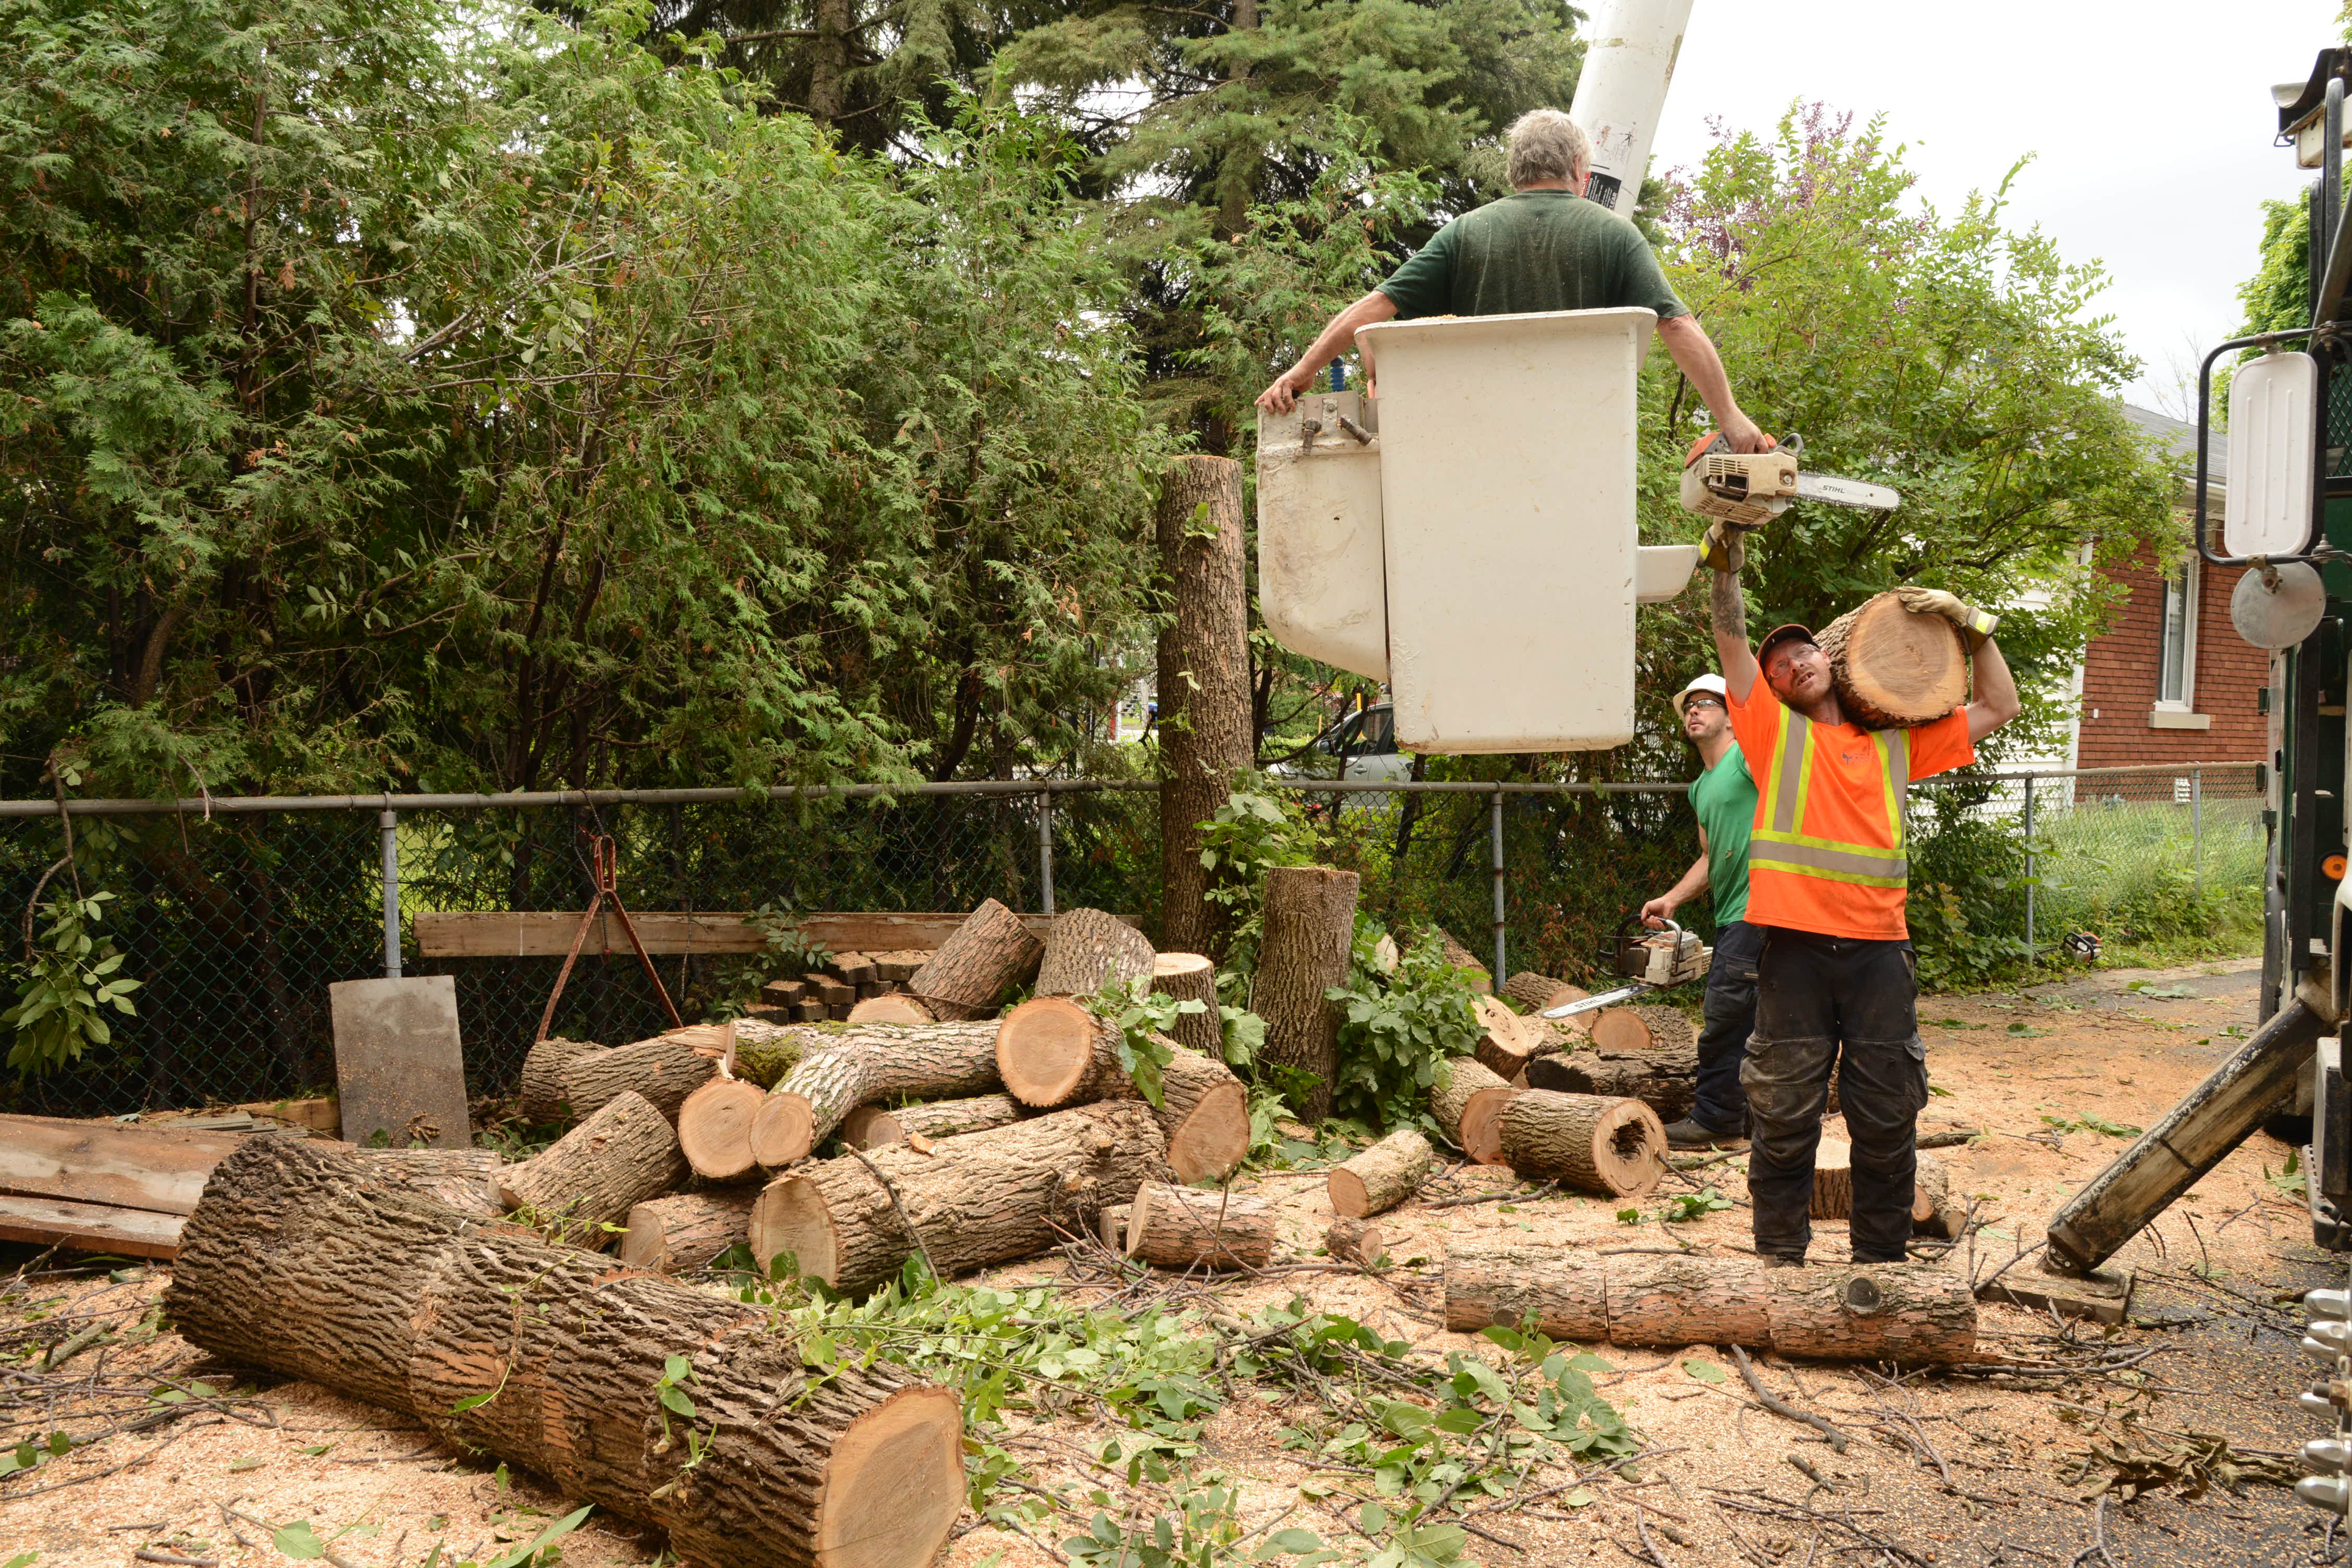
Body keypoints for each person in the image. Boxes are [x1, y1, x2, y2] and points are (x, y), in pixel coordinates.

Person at [1707, 533, 2022, 1268]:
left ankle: (1881, 1262)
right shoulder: (1770, 736)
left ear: (1833, 658)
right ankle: (1779, 1259)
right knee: (1784, 1114)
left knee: (1886, 1116)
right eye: (1779, 665)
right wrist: (1724, 571)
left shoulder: (1895, 747)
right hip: (1793, 952)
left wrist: (1973, 625)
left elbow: (1999, 704)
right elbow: (1731, 643)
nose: (1793, 663)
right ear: (1774, 689)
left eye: (1803, 651)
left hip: (1880, 953)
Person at [1253, 108, 1769, 454]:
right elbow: (1676, 326)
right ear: (1579, 169)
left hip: (1477, 443)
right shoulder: (1615, 234)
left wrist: (1300, 372)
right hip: (1584, 446)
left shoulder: (1465, 233)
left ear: (1516, 170)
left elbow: (1374, 308)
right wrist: (1731, 418)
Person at [1638, 673, 1759, 1150]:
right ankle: (1753, 1119)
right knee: (1752, 1018)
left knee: (1725, 1015)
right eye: (1690, 705)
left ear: (1731, 717)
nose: (1694, 710)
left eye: (1707, 703)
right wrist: (1672, 899)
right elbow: (1710, 857)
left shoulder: (1747, 760)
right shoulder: (1700, 788)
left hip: (1761, 909)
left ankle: (1718, 1119)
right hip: (1731, 915)